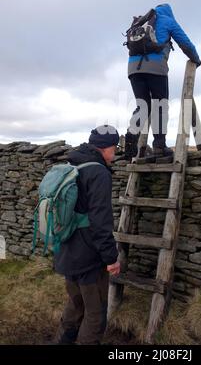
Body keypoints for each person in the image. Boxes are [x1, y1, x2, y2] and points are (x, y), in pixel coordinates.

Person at [54, 124, 120, 345]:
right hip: (89, 259)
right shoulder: (99, 173)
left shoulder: (72, 163)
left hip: (67, 251)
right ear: (106, 147)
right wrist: (111, 258)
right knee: (95, 314)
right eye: (115, 147)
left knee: (75, 304)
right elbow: (101, 222)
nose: (116, 153)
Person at [125, 3, 201, 161]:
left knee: (142, 105)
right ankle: (159, 146)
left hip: (133, 69)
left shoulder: (142, 21)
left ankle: (133, 132)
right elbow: (185, 43)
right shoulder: (168, 21)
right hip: (156, 67)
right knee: (160, 104)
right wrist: (196, 59)